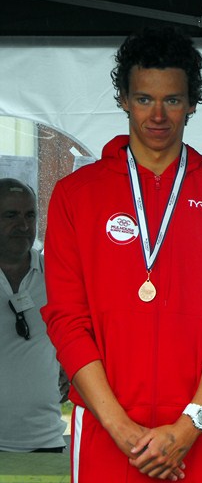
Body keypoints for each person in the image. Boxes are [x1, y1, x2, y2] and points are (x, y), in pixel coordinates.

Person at [42, 27, 202, 482]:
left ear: (192, 103)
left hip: (200, 434)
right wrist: (120, 429)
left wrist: (188, 427)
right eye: (144, 99)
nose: (158, 115)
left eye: (173, 100)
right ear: (123, 99)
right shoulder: (76, 194)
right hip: (107, 432)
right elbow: (67, 320)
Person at [0, 179, 66, 453]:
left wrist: (72, 366)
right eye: (11, 215)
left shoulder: (59, 276)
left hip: (46, 440)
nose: (24, 226)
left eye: (30, 215)